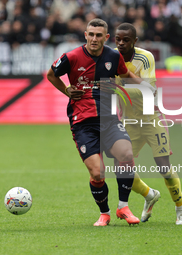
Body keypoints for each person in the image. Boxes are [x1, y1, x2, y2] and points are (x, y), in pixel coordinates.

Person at [47, 18, 156, 226]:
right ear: (85, 35)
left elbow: (126, 74)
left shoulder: (113, 57)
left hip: (109, 119)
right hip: (83, 122)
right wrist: (66, 90)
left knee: (126, 153)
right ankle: (104, 213)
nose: (94, 39)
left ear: (106, 38)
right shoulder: (71, 57)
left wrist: (146, 87)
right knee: (97, 173)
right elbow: (51, 75)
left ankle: (123, 207)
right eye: (91, 34)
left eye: (99, 35)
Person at [114, 23, 182, 225]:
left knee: (163, 166)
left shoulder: (145, 58)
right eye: (118, 39)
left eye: (126, 40)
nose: (121, 43)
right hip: (129, 121)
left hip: (151, 118)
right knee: (120, 168)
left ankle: (180, 208)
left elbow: (149, 90)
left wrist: (115, 88)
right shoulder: (110, 57)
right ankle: (149, 195)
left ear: (135, 41)